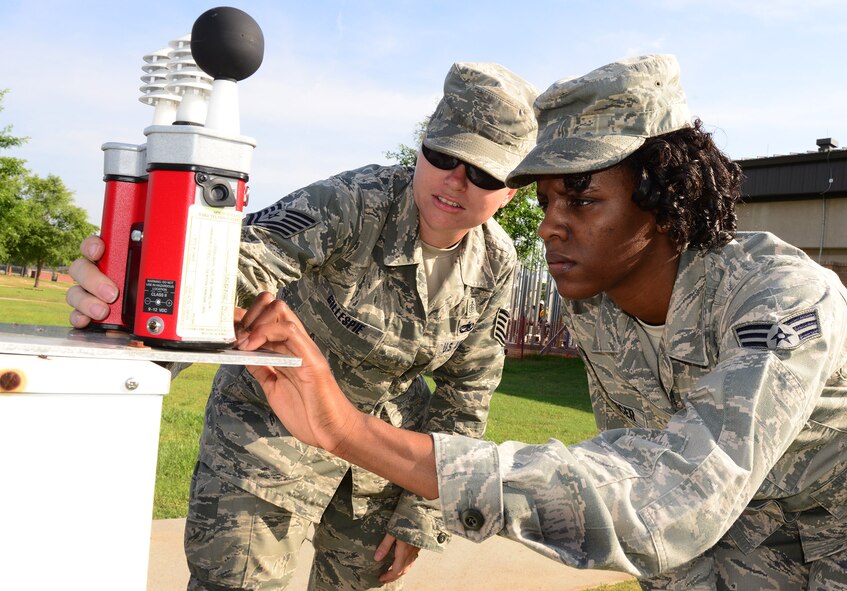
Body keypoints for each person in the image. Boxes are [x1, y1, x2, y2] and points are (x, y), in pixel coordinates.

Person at [233, 54, 847, 590]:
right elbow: (634, 475)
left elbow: (659, 503)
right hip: (748, 512)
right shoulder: (597, 305)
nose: (548, 225)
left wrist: (346, 430)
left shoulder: (780, 300)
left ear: (663, 199)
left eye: (581, 198)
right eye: (545, 199)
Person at [66, 62, 539, 590]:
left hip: (376, 462)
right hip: (268, 434)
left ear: (512, 190)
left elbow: (467, 393)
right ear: (422, 147)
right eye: (444, 154)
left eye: (483, 173)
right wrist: (142, 281)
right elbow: (243, 260)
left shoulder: (498, 264)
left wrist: (422, 514)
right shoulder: (355, 201)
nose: (455, 179)